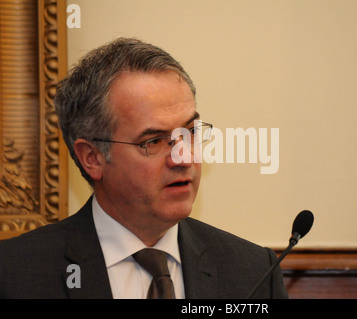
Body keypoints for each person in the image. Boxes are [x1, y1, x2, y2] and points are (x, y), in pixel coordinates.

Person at [0, 38, 288, 299]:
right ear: (92, 157)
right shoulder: (14, 276)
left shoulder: (253, 272)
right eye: (154, 141)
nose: (184, 157)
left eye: (189, 132)